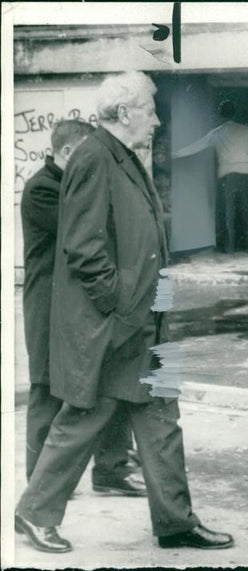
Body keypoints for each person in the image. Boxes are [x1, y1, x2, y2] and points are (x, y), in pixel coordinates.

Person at [15, 71, 233, 554]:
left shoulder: (125, 155)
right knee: (85, 416)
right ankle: (34, 514)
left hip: (147, 315)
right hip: (119, 321)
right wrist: (118, 304)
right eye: (150, 111)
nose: (156, 121)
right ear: (123, 113)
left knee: (161, 418)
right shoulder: (94, 155)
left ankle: (176, 521)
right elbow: (83, 247)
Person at [20, 119, 143, 495]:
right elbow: (89, 234)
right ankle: (41, 484)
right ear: (70, 153)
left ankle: (111, 470)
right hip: (47, 306)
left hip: (81, 305)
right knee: (47, 388)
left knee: (108, 383)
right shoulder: (41, 189)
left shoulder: (75, 184)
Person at [173, 99, 248, 253]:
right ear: (235, 112)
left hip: (227, 177)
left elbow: (195, 147)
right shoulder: (247, 132)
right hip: (246, 174)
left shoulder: (215, 133)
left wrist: (175, 154)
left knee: (228, 213)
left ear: (220, 115)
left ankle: (229, 247)